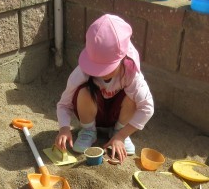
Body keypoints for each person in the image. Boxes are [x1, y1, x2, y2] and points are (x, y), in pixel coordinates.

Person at [55, 14, 154, 164]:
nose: (100, 73)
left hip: (118, 116)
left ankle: (117, 131)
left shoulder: (131, 73)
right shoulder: (82, 72)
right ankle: (89, 131)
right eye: (96, 67)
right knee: (84, 91)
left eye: (107, 68)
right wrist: (64, 128)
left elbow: (147, 108)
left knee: (133, 97)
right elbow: (63, 104)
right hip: (93, 114)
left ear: (122, 58)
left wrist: (121, 135)